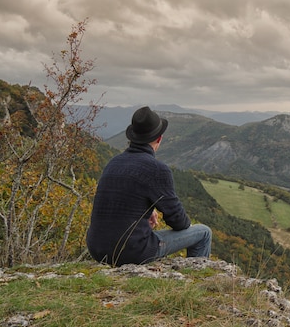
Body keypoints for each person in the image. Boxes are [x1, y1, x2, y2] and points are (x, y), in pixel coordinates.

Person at [86, 106, 212, 266]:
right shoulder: (157, 169)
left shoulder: (114, 162)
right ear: (159, 139)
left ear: (132, 137)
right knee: (204, 233)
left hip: (97, 248)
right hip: (131, 251)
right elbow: (178, 221)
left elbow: (119, 200)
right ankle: (194, 280)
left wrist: (147, 211)